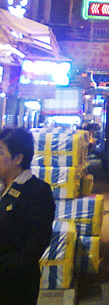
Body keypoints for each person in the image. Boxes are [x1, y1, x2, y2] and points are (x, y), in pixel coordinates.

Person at [0, 127, 56, 305]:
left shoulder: (37, 191)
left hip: (15, 285)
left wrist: (5, 266)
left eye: (1, 152)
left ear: (18, 158)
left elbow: (37, 242)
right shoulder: (2, 188)